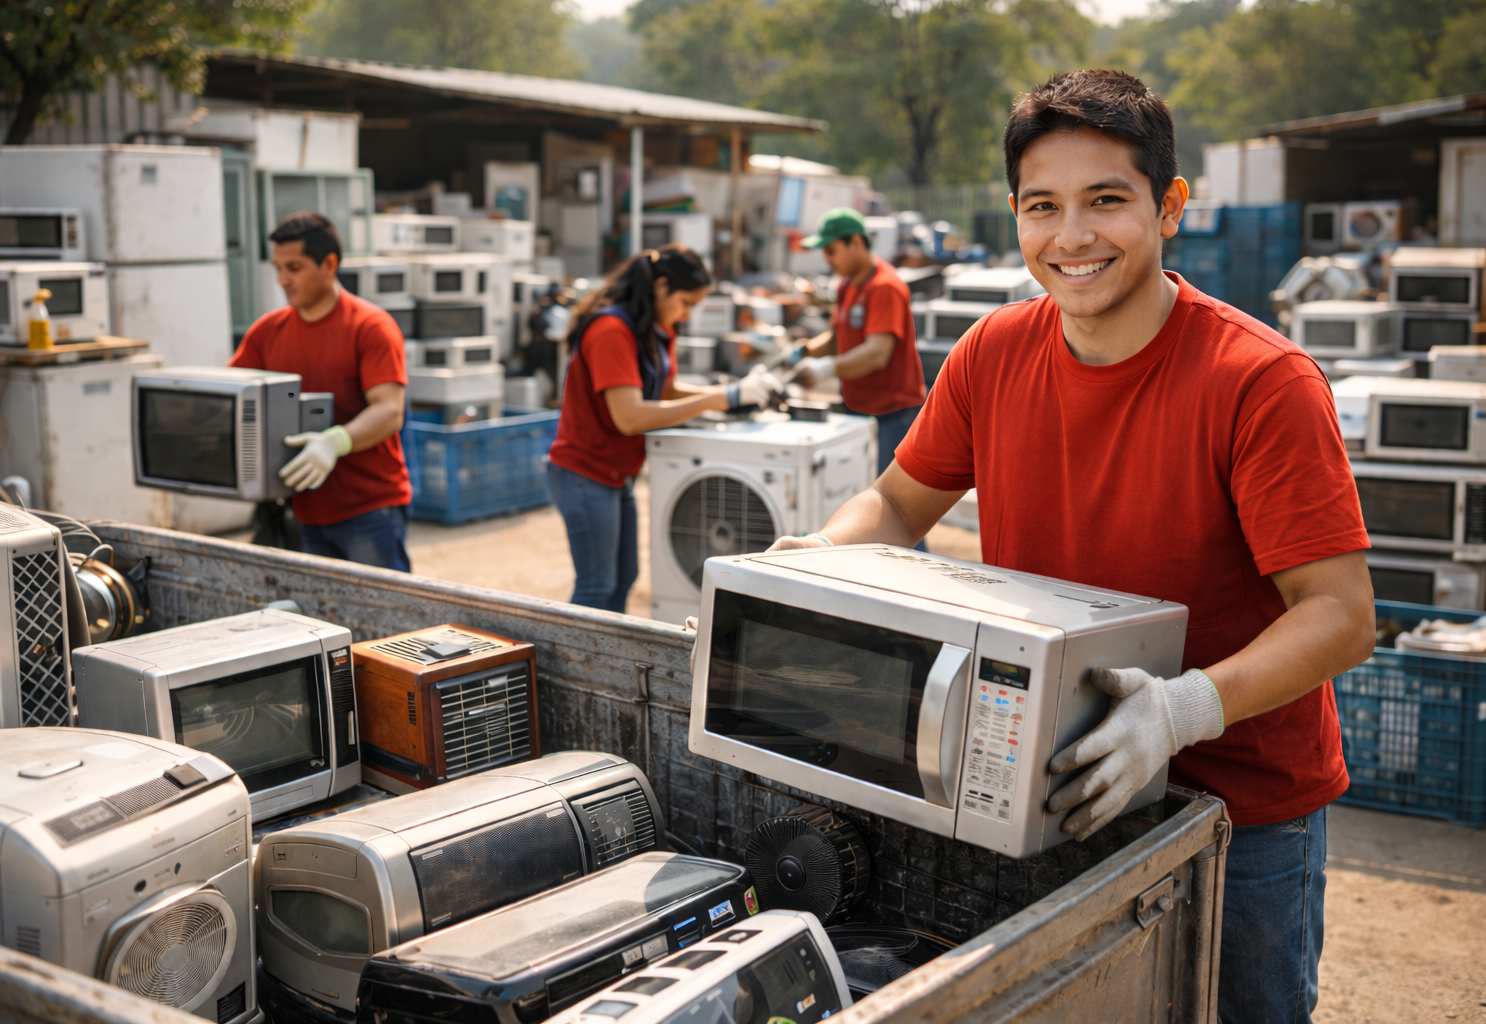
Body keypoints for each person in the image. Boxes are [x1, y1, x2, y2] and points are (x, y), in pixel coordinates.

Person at [770, 70, 1373, 1024]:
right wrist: (813, 559)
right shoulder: (992, 354)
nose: (1072, 236)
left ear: (1169, 206)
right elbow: (894, 504)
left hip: (1237, 808)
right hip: (1044, 786)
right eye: (1042, 206)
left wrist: (1180, 710)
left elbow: (1339, 615)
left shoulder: (1261, 381)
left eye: (1106, 200)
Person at [547, 245, 782, 612]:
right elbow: (630, 417)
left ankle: (605, 649)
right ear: (661, 288)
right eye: (685, 303)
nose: (687, 314)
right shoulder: (611, 330)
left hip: (615, 472)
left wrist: (734, 393)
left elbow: (666, 390)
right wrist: (718, 397)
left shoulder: (656, 329)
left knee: (623, 578)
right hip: (584, 473)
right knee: (596, 585)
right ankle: (567, 652)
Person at [230, 211, 413, 571]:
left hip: (368, 507)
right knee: (319, 605)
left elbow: (389, 410)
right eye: (278, 268)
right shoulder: (267, 332)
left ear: (329, 264)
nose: (283, 280)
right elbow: (231, 392)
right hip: (303, 507)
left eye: (294, 268)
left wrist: (335, 442)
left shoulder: (371, 327)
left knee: (379, 603)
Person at [787, 206, 927, 480]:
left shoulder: (884, 286)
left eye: (831, 251)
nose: (828, 260)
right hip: (858, 410)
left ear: (856, 242)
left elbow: (877, 353)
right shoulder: (846, 285)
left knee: (887, 496)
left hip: (893, 416)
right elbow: (836, 337)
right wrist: (803, 352)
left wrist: (826, 369)